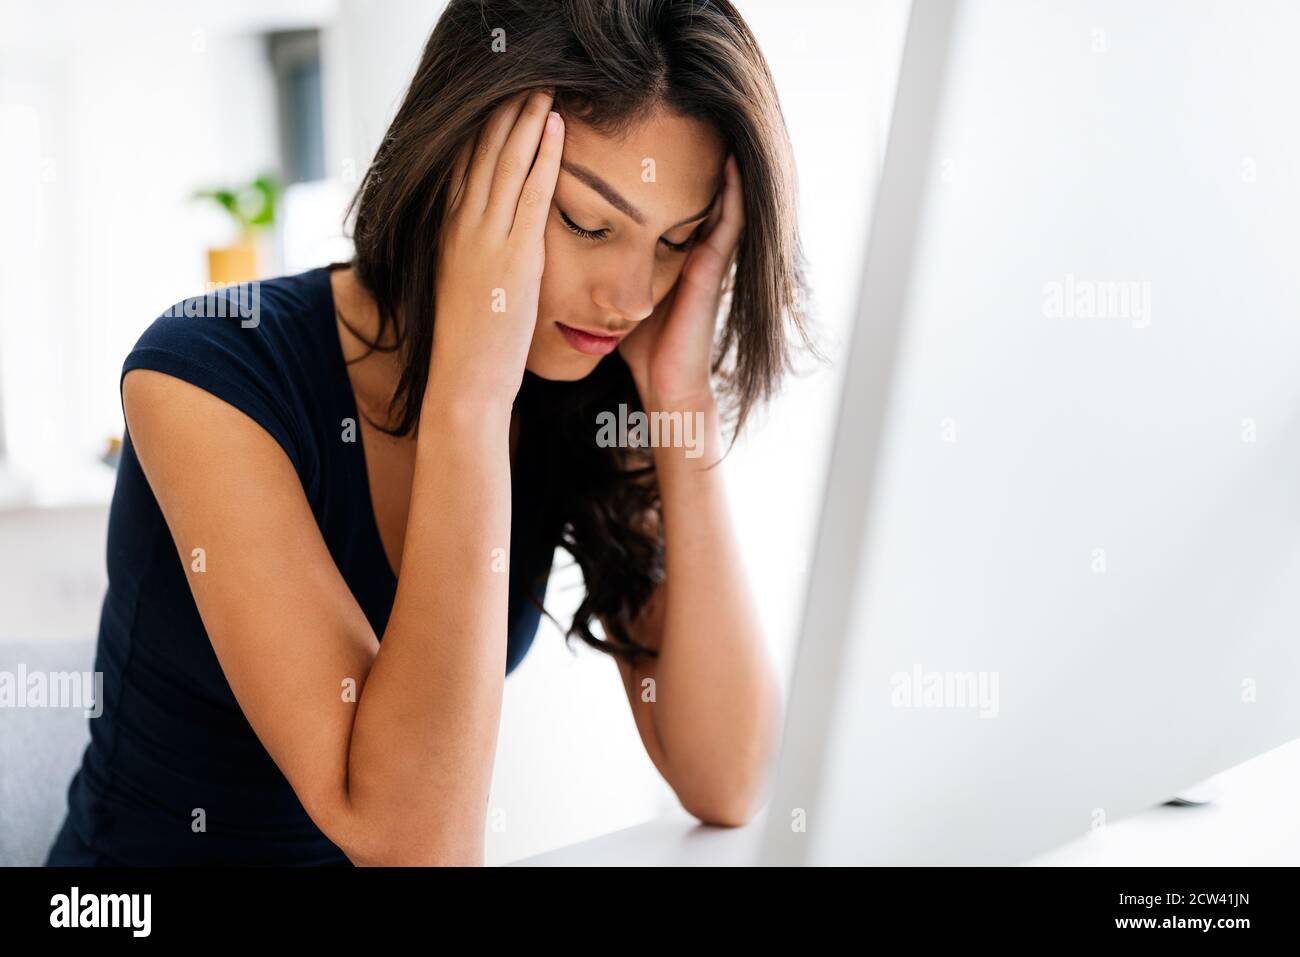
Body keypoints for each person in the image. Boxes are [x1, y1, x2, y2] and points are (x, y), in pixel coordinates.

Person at [46, 0, 819, 866]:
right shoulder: (204, 377)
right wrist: (470, 395)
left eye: (675, 242)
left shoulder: (582, 379)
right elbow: (416, 844)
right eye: (586, 223)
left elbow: (728, 775)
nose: (631, 295)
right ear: (458, 170)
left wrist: (679, 393)